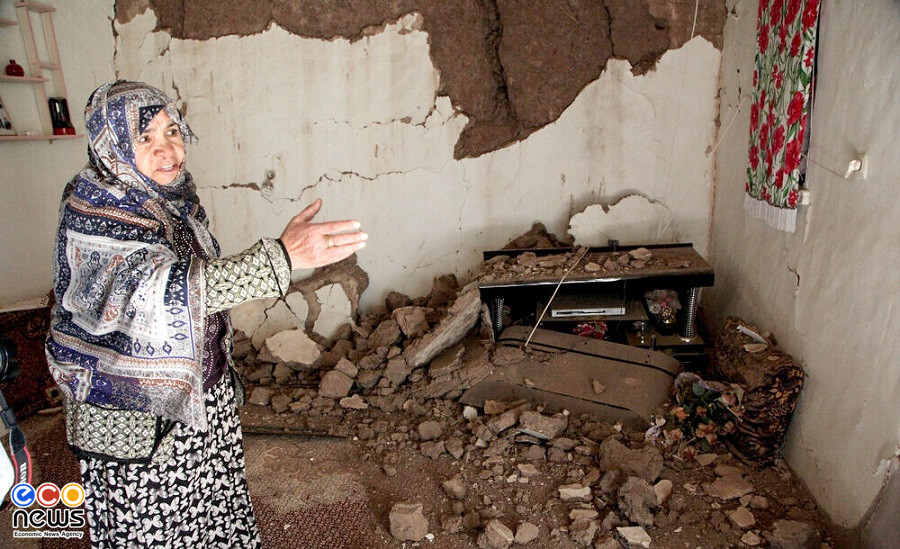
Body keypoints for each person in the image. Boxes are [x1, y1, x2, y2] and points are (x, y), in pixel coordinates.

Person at [44, 80, 367, 547]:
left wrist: (281, 258)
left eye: (172, 131)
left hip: (200, 396)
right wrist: (281, 258)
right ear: (111, 145)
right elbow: (155, 294)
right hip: (137, 414)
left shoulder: (176, 201)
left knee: (213, 512)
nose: (167, 149)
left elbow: (199, 282)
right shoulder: (96, 208)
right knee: (156, 529)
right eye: (145, 137)